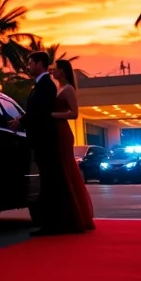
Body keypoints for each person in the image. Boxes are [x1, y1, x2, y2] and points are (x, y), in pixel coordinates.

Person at [8, 51, 77, 236]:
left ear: (40, 64)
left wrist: (20, 121)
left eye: (30, 62)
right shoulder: (42, 85)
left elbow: (41, 111)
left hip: (45, 140)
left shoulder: (46, 85)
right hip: (42, 139)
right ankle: (53, 223)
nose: (28, 65)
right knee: (49, 180)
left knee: (49, 182)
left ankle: (53, 224)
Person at [48, 59, 96, 233]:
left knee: (66, 170)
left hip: (63, 132)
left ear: (62, 71)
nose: (52, 72)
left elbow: (74, 113)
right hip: (56, 131)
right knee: (62, 171)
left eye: (54, 69)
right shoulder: (57, 88)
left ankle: (75, 216)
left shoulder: (68, 89)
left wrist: (52, 115)